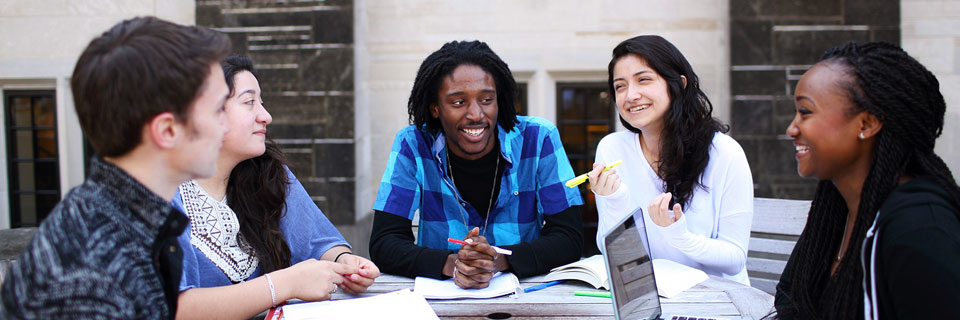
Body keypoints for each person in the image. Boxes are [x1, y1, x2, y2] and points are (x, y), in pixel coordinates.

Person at [0, 17, 231, 319]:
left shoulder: (121, 219)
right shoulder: (89, 277)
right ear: (168, 131)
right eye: (218, 110)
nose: (225, 127)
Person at [171, 56, 380, 319]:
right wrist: (284, 284)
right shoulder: (163, 194)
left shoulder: (268, 174)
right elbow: (175, 308)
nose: (265, 116)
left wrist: (345, 263)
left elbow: (318, 240)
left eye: (262, 103)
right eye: (249, 102)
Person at [369, 40, 584, 288]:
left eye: (486, 100)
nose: (475, 114)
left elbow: (569, 238)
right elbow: (384, 242)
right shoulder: (413, 143)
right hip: (442, 300)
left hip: (529, 296)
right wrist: (452, 264)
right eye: (458, 102)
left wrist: (497, 260)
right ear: (435, 108)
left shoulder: (539, 138)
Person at [774, 42, 960, 319]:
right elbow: (792, 302)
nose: (792, 128)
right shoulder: (836, 211)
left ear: (866, 124)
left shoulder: (920, 229)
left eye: (806, 112)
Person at [589, 35, 753, 285]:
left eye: (644, 80)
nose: (630, 95)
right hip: (651, 296)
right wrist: (614, 201)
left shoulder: (725, 153)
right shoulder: (612, 149)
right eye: (620, 86)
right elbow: (615, 255)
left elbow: (734, 259)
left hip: (715, 299)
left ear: (679, 84)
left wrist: (680, 236)